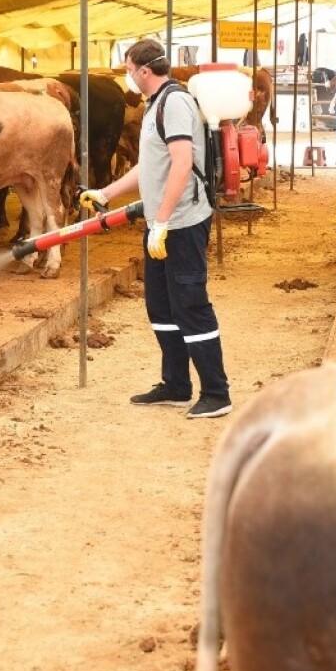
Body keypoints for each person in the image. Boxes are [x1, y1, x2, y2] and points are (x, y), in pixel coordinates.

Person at [78, 39, 232, 420]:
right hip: (162, 222)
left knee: (191, 305)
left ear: (144, 71)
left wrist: (161, 220)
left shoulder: (174, 104)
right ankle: (176, 385)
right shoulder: (154, 106)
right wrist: (106, 192)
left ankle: (216, 392)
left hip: (181, 222)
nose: (128, 77)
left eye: (129, 70)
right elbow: (150, 165)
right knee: (161, 307)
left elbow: (181, 164)